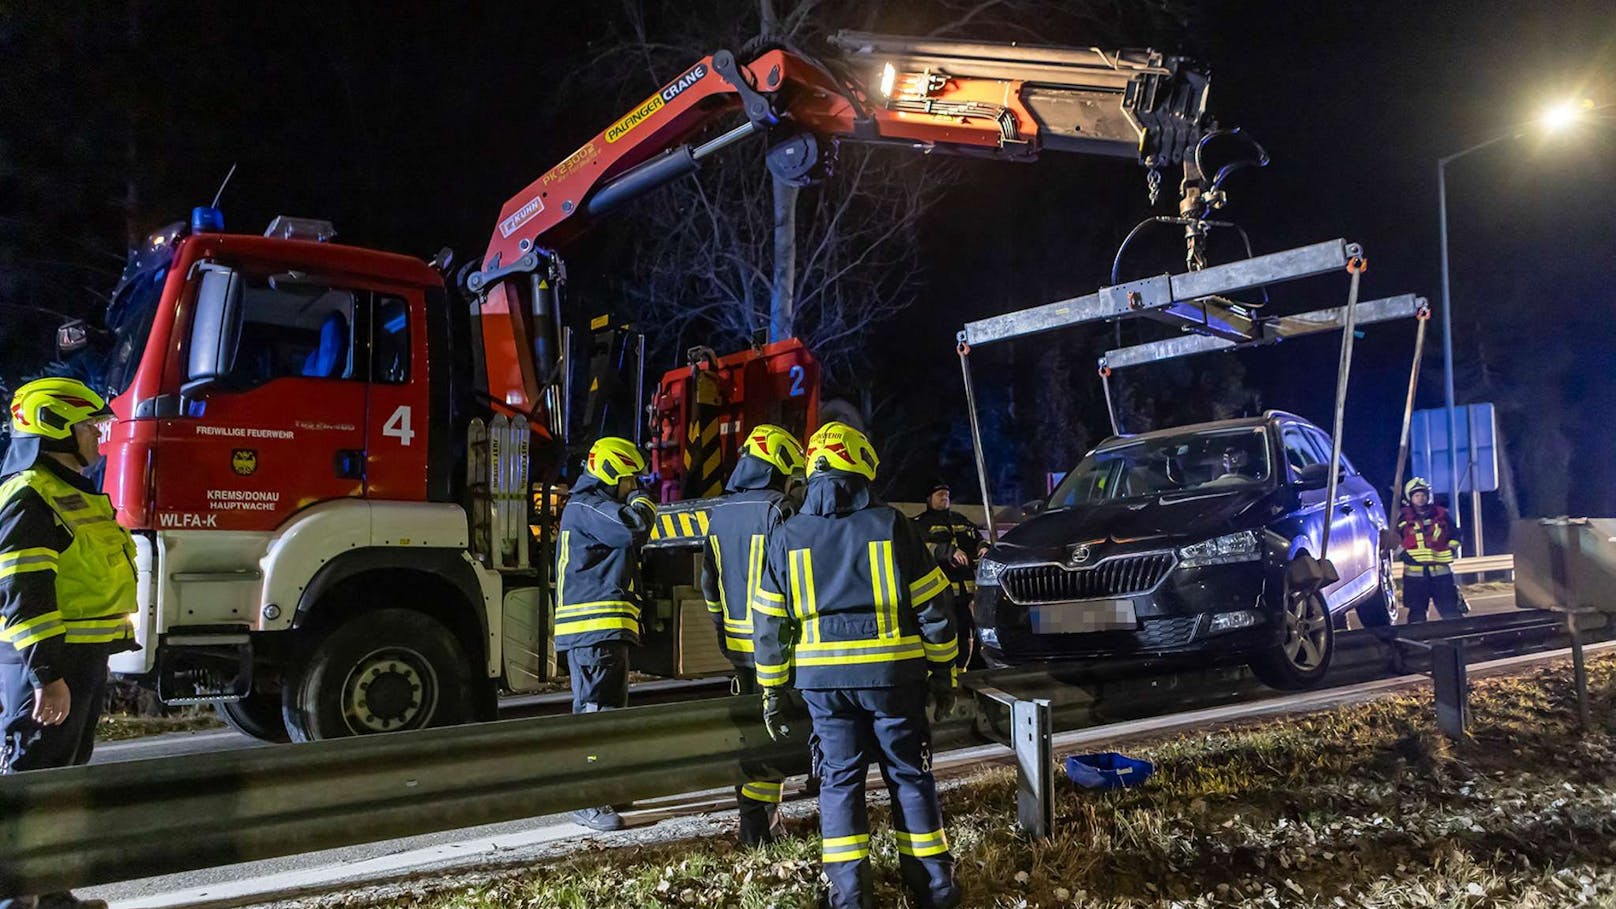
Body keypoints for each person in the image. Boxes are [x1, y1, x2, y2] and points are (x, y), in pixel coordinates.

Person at [753, 422, 961, 909]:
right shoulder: (892, 525)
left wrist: (771, 691)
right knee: (910, 778)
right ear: (860, 466)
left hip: (824, 689)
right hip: (894, 681)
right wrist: (945, 673)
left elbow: (769, 627)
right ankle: (935, 889)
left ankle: (849, 897)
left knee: (840, 783)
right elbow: (935, 608)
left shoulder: (786, 536)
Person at [2, 378, 138, 909]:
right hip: (48, 663)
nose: (99, 437)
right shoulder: (30, 495)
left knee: (60, 788)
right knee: (31, 787)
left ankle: (51, 896)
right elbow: (24, 593)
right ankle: (15, 903)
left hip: (81, 658)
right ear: (58, 428)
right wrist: (46, 676)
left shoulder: (69, 490)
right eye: (90, 427)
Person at [698, 423, 806, 846]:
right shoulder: (780, 510)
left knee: (752, 734)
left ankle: (756, 824)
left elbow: (709, 584)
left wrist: (723, 626)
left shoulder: (719, 513)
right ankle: (763, 828)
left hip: (737, 648)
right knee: (776, 734)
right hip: (778, 643)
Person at [555, 436, 657, 832]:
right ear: (613, 474)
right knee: (596, 715)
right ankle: (586, 797)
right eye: (631, 479)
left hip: (602, 632)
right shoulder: (590, 507)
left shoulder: (589, 507)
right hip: (594, 632)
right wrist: (644, 501)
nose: (634, 486)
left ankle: (605, 785)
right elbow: (633, 527)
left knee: (609, 714)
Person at [912, 480, 987, 668]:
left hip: (965, 593)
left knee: (967, 632)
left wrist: (983, 547)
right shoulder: (921, 524)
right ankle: (946, 671)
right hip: (939, 593)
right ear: (928, 499)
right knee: (945, 633)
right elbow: (922, 549)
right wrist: (949, 551)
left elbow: (977, 538)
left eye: (946, 494)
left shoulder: (960, 520)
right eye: (939, 495)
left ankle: (963, 670)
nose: (944, 497)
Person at [1397, 477, 1462, 623]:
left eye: (1423, 495)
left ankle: (1458, 641)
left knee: (1450, 612)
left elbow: (1456, 535)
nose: (1420, 499)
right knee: (1417, 615)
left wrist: (1451, 549)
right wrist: (1402, 554)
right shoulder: (1402, 518)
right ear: (1410, 497)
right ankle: (1418, 644)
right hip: (1415, 576)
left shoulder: (1441, 515)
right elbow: (1393, 540)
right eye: (1416, 496)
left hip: (1441, 574)